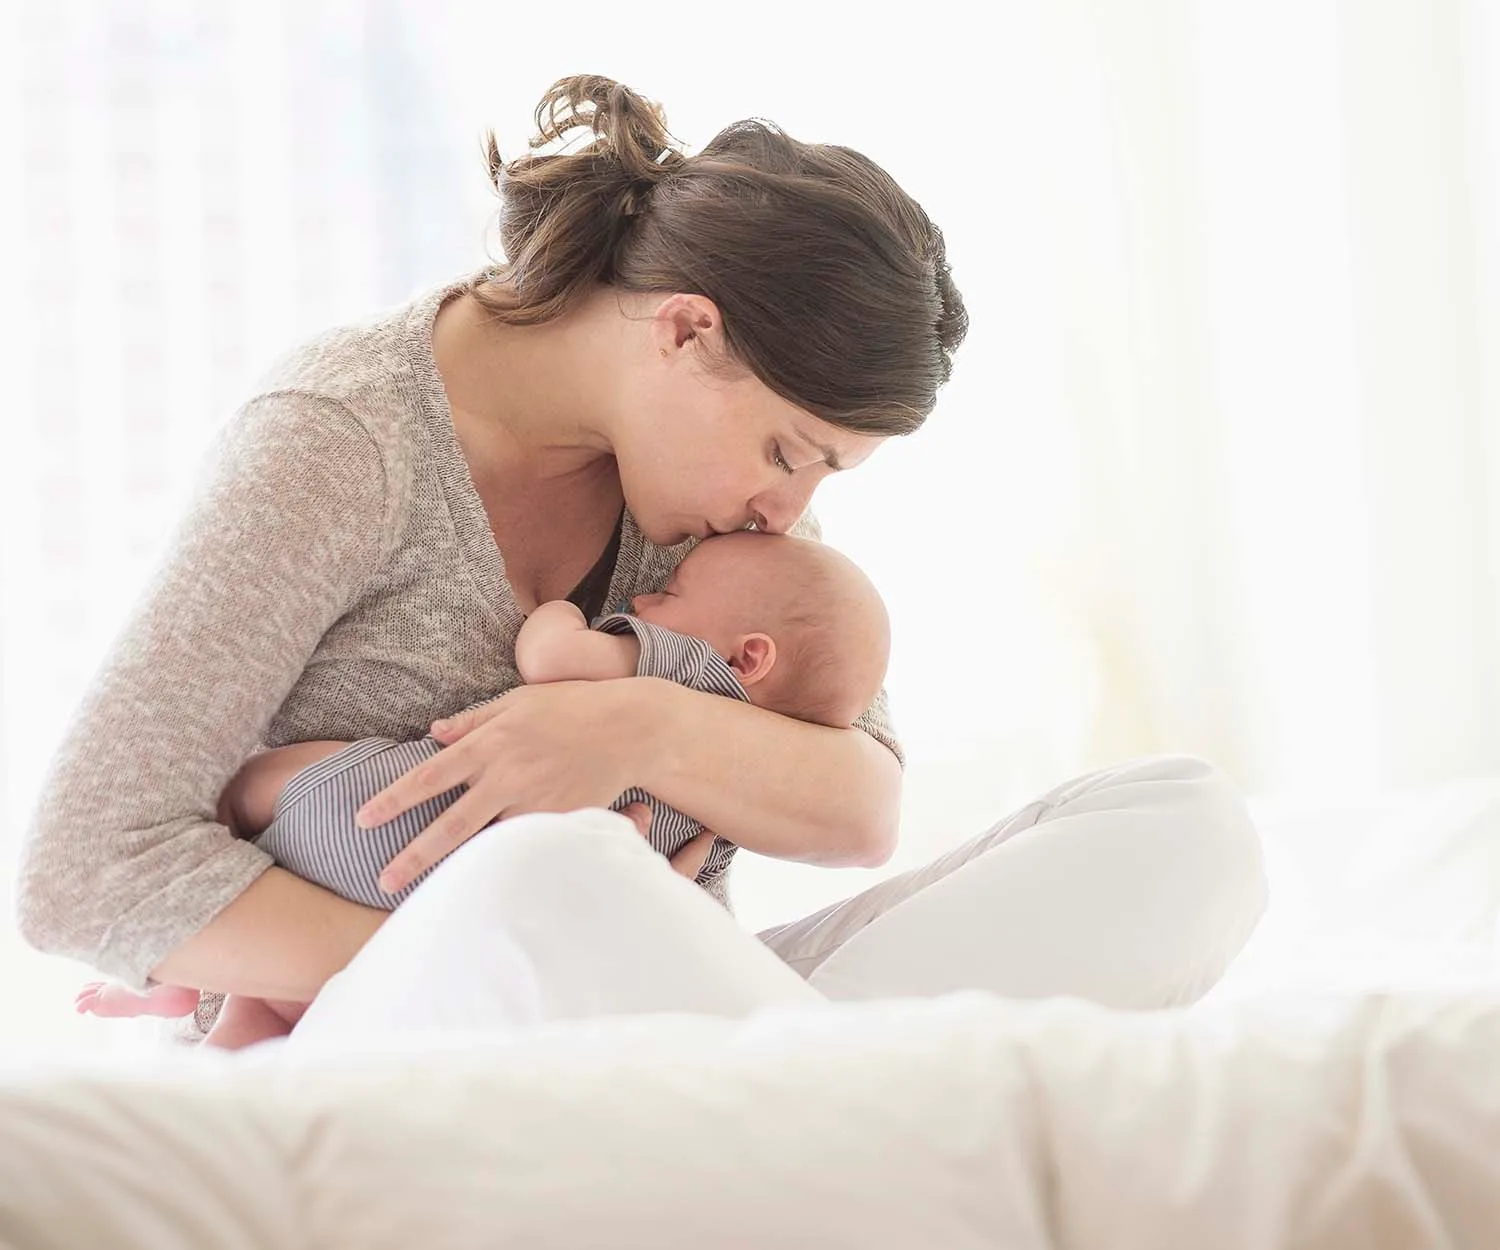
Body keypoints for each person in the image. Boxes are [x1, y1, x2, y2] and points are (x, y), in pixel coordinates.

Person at [16, 74, 1266, 1047]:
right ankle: (816, 1115)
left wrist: (631, 727)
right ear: (684, 330)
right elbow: (81, 869)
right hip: (412, 1028)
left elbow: (858, 804)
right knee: (555, 874)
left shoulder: (712, 505)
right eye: (791, 451)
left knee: (1184, 830)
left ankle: (781, 1114)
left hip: (680, 1020)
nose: (790, 506)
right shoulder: (345, 442)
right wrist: (505, 952)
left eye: (825, 475)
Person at [74, 530, 892, 1046]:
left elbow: (551, 659)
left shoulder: (679, 667)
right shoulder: (746, 782)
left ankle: (193, 982)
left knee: (253, 785)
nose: (646, 597)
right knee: (274, 1028)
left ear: (748, 657)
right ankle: (225, 1026)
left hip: (382, 820)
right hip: (465, 908)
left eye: (669, 594)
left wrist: (564, 614)